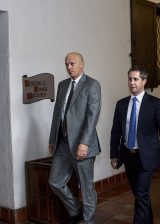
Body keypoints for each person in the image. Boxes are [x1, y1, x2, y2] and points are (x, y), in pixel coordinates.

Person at [110, 65, 160, 224]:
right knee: (139, 193)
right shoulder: (121, 104)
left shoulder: (155, 104)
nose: (132, 83)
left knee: (142, 193)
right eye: (130, 79)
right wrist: (114, 155)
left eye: (136, 79)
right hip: (128, 156)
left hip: (147, 155)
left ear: (144, 81)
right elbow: (116, 131)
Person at [48, 52, 101, 224]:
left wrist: (84, 142)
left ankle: (88, 220)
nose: (69, 67)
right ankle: (75, 209)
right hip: (62, 144)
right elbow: (58, 114)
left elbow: (92, 117)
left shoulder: (92, 85)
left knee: (86, 187)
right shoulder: (63, 85)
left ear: (82, 64)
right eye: (66, 64)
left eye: (72, 63)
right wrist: (52, 139)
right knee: (55, 182)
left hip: (81, 144)